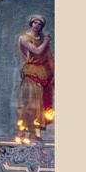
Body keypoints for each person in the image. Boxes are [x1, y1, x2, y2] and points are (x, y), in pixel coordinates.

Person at [15, 14, 54, 144]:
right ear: (31, 24)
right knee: (30, 104)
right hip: (31, 73)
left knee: (41, 105)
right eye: (35, 23)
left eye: (39, 24)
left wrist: (54, 74)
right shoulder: (24, 38)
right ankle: (25, 132)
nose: (37, 25)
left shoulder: (42, 39)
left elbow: (49, 58)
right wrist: (46, 41)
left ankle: (35, 133)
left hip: (44, 74)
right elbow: (37, 51)